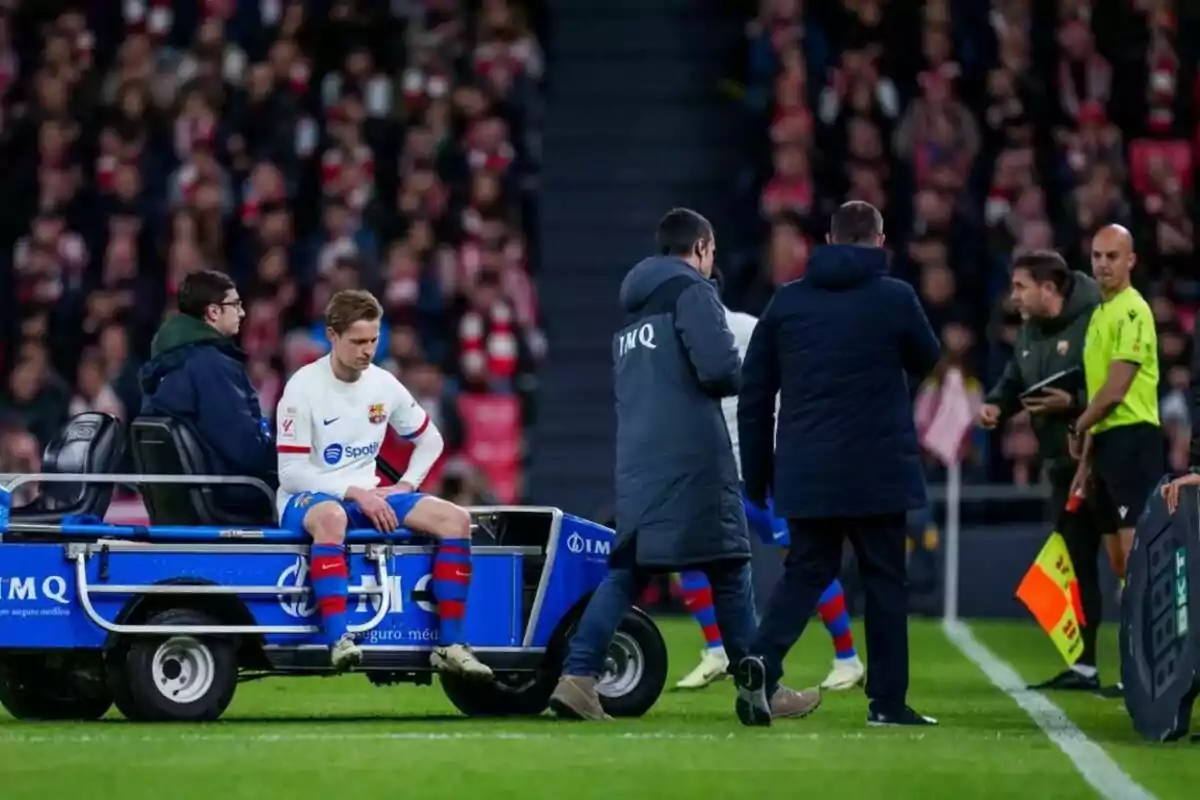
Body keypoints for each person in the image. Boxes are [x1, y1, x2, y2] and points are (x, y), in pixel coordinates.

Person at [548, 208, 817, 721]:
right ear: (701, 247)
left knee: (628, 570)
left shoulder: (632, 317)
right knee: (732, 568)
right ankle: (762, 688)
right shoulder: (693, 292)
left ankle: (578, 676)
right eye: (710, 253)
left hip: (638, 460)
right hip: (694, 458)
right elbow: (719, 369)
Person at [735, 201, 941, 728]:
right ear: (879, 237)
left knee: (806, 570)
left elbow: (755, 397)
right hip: (877, 465)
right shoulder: (895, 297)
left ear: (827, 238)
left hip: (807, 466)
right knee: (884, 580)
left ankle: (761, 657)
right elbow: (928, 358)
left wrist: (757, 478)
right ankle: (887, 704)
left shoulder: (786, 303)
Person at [274, 289, 493, 678]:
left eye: (373, 340)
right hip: (307, 501)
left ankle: (450, 645)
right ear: (332, 335)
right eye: (357, 341)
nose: (367, 350)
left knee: (456, 520)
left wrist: (406, 485)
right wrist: (355, 492)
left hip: (369, 497)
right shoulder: (302, 387)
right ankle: (339, 639)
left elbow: (432, 440)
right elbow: (291, 474)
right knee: (331, 517)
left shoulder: (383, 384)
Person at [674, 296, 864, 692]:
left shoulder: (749, 328)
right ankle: (716, 651)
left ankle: (848, 658)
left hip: (767, 471)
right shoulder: (683, 340)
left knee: (802, 560)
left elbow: (797, 375)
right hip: (716, 475)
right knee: (686, 555)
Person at [976, 250, 1108, 692]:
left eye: (1020, 287)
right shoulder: (1030, 332)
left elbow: (1119, 380)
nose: (1014, 296)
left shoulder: (1096, 318)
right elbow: (1016, 377)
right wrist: (997, 402)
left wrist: (1072, 403)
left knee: (1126, 561)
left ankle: (1148, 665)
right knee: (1076, 564)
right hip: (1060, 462)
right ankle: (1085, 666)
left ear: (1049, 288)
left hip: (1103, 457)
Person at [1069, 225, 1164, 698]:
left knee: (1138, 561)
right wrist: (1086, 459)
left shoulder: (1133, 311)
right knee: (1119, 563)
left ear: (1131, 261)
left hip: (1133, 441)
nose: (1103, 263)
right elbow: (1096, 395)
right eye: (1096, 255)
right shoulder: (1100, 314)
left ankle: (1148, 668)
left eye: (1112, 255)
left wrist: (1077, 426)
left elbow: (1115, 391)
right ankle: (1136, 665)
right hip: (1106, 445)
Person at [139, 270, 276, 514]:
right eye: (235, 304)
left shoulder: (167, 363)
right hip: (232, 495)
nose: (242, 313)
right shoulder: (210, 365)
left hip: (191, 501)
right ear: (213, 312)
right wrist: (289, 456)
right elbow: (245, 451)